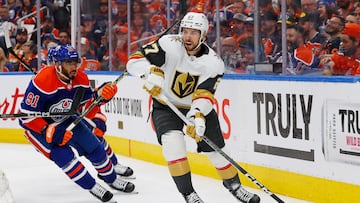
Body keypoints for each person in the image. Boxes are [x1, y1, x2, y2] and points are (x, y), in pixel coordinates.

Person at [126, 12, 260, 203]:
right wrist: (151, 72)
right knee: (173, 145)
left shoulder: (213, 63)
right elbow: (133, 61)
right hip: (166, 106)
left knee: (217, 151)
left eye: (193, 32)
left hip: (196, 107)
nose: (187, 36)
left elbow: (204, 95)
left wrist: (197, 116)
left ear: (203, 35)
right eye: (185, 31)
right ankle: (189, 193)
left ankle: (235, 187)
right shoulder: (168, 44)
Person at [19, 45, 135, 202]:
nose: (74, 67)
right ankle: (93, 187)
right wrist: (48, 130)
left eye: (75, 63)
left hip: (66, 118)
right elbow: (26, 117)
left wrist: (101, 94)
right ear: (58, 65)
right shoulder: (42, 80)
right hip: (39, 128)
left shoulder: (80, 78)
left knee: (95, 147)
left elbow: (86, 105)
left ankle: (112, 180)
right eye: (69, 63)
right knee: (64, 156)